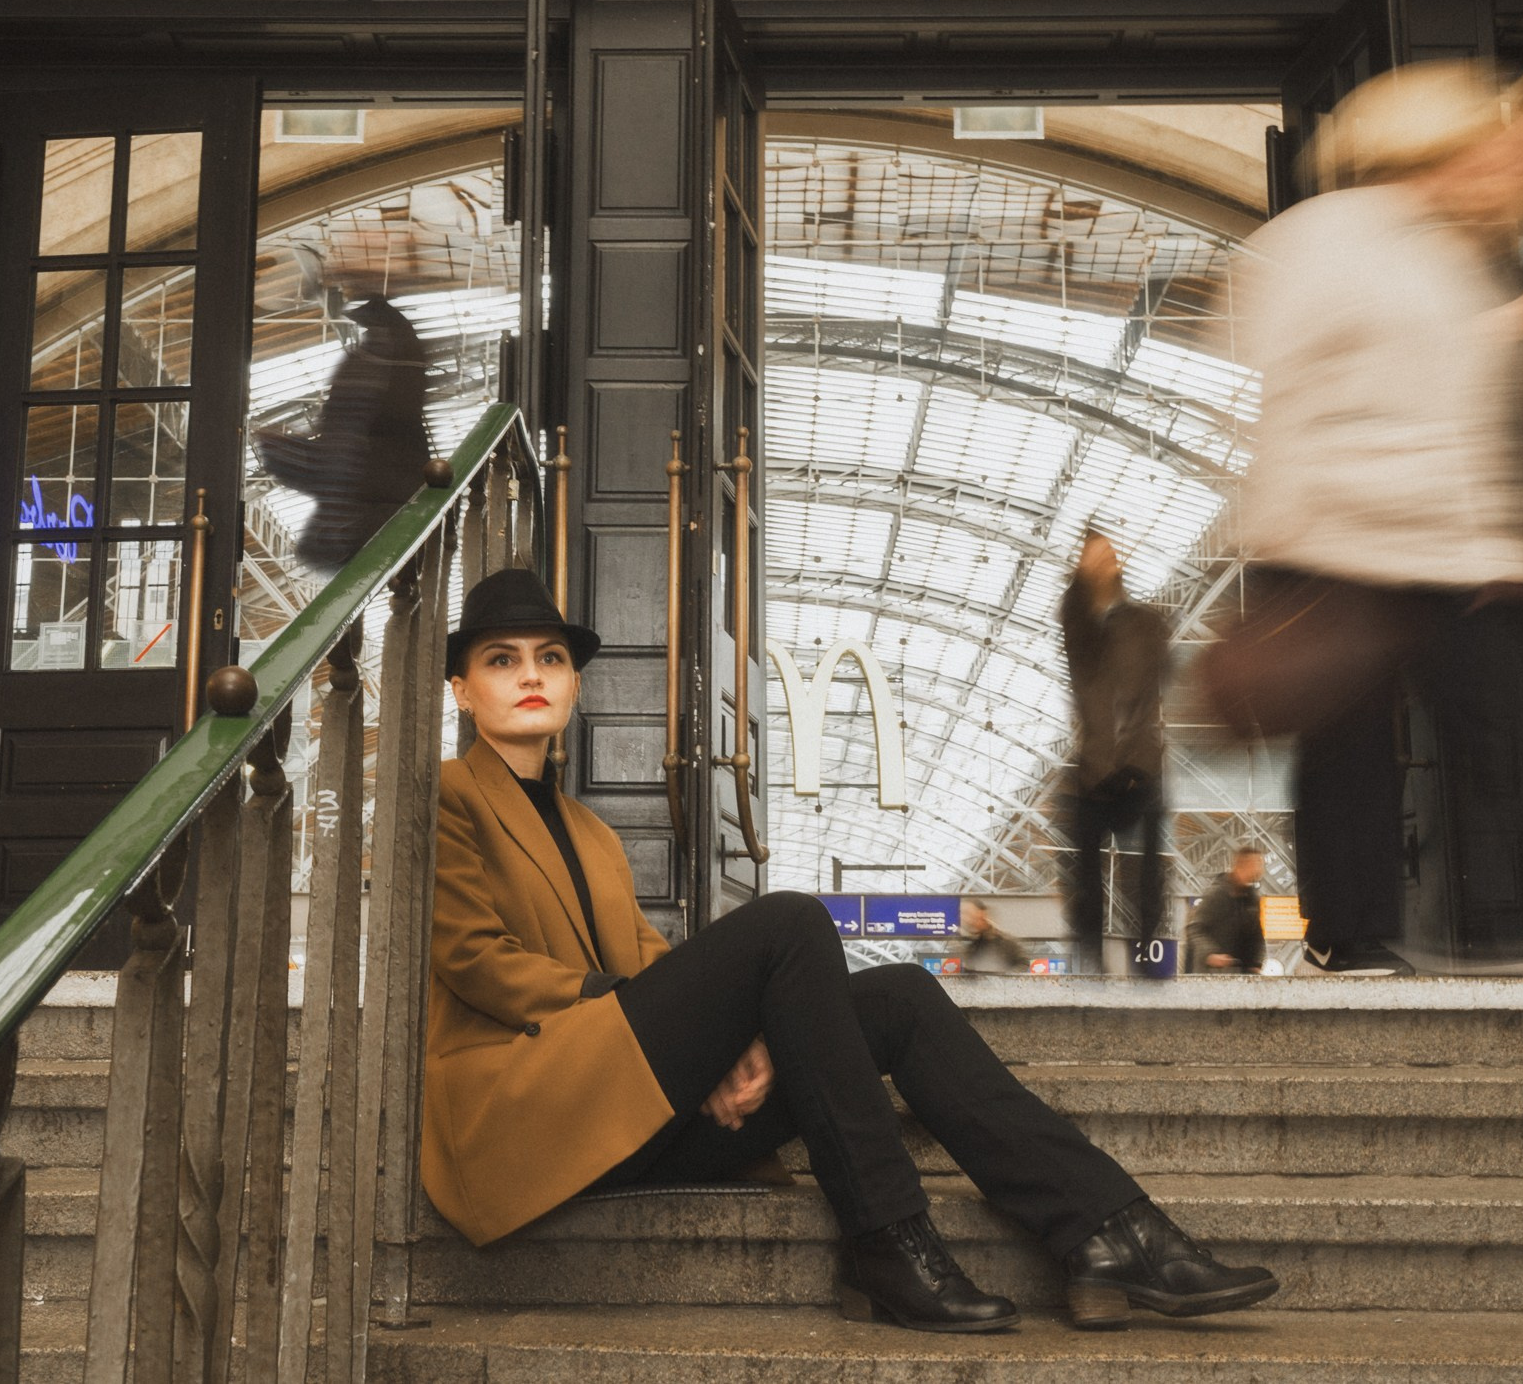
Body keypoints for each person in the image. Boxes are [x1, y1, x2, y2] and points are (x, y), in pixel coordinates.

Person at [421, 568, 1278, 1333]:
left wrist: (720, 1044)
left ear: (574, 682)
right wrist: (675, 1032)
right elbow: (476, 960)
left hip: (637, 1109)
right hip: (531, 1117)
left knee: (900, 996)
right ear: (461, 689)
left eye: (550, 658)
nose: (531, 674)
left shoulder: (592, 833)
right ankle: (887, 1237)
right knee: (791, 921)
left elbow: (653, 966)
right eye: (501, 659)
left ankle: (1109, 1231)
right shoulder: (447, 798)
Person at [1230, 58, 1523, 978]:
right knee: (1354, 745)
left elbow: (1466, 401)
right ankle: (1351, 932)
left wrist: (1509, 539)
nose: (1484, 172)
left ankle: (1522, 921)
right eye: (1464, 154)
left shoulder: (1457, 257)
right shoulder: (1327, 243)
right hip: (1342, 543)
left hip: (1445, 546)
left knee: (1492, 729)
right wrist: (1289, 526)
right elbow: (1298, 384)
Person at [1058, 530, 1171, 974]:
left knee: (1145, 874)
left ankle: (1145, 953)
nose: (1103, 562)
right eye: (1093, 558)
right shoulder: (1081, 630)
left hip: (1141, 766)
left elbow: (1158, 674)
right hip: (1094, 769)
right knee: (1084, 869)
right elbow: (1072, 616)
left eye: (1108, 555)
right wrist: (1083, 581)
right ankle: (1090, 959)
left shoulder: (1146, 623)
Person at [254, 292, 432, 569]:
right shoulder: (357, 491)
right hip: (375, 422)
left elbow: (323, 462)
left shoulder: (341, 489)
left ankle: (379, 319)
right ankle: (380, 319)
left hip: (368, 422)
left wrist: (272, 447)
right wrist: (274, 446)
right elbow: (330, 461)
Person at [1182, 847, 1266, 975]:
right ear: (1241, 865)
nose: (1260, 869)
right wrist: (1210, 954)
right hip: (1211, 975)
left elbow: (1257, 935)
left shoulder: (1252, 899)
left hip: (1242, 976)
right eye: (1256, 864)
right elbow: (1194, 929)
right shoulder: (1216, 895)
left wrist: (1256, 963)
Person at [955, 898, 1028, 974]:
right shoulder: (972, 947)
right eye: (962, 914)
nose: (965, 919)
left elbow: (1023, 963)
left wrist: (1006, 978)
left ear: (982, 914)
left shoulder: (1007, 942)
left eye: (968, 913)